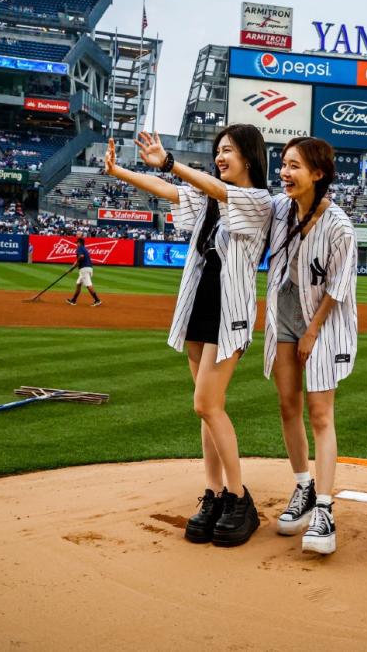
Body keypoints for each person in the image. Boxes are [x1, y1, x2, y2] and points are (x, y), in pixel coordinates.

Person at [104, 127, 271, 547]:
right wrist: (119, 171)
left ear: (249, 157)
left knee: (206, 403)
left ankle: (238, 498)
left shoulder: (257, 200)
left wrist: (169, 161)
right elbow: (171, 190)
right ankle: (213, 494)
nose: (220, 156)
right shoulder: (212, 197)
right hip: (199, 303)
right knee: (205, 408)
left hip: (228, 313)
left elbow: (205, 185)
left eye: (228, 150)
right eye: (217, 150)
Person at [263, 137, 357, 555]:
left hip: (323, 318)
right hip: (284, 308)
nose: (285, 172)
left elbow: (340, 285)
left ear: (317, 174)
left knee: (320, 413)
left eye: (294, 165)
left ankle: (324, 507)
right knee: (288, 404)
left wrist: (314, 330)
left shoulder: (339, 224)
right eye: (284, 164)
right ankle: (303, 486)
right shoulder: (280, 208)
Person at [66, 234, 101, 306]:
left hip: (84, 269)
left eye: (77, 243)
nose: (76, 244)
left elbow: (81, 257)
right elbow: (81, 259)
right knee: (78, 284)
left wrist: (73, 267)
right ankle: (73, 300)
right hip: (88, 268)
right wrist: (72, 268)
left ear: (79, 243)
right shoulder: (84, 248)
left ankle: (97, 300)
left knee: (88, 285)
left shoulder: (80, 248)